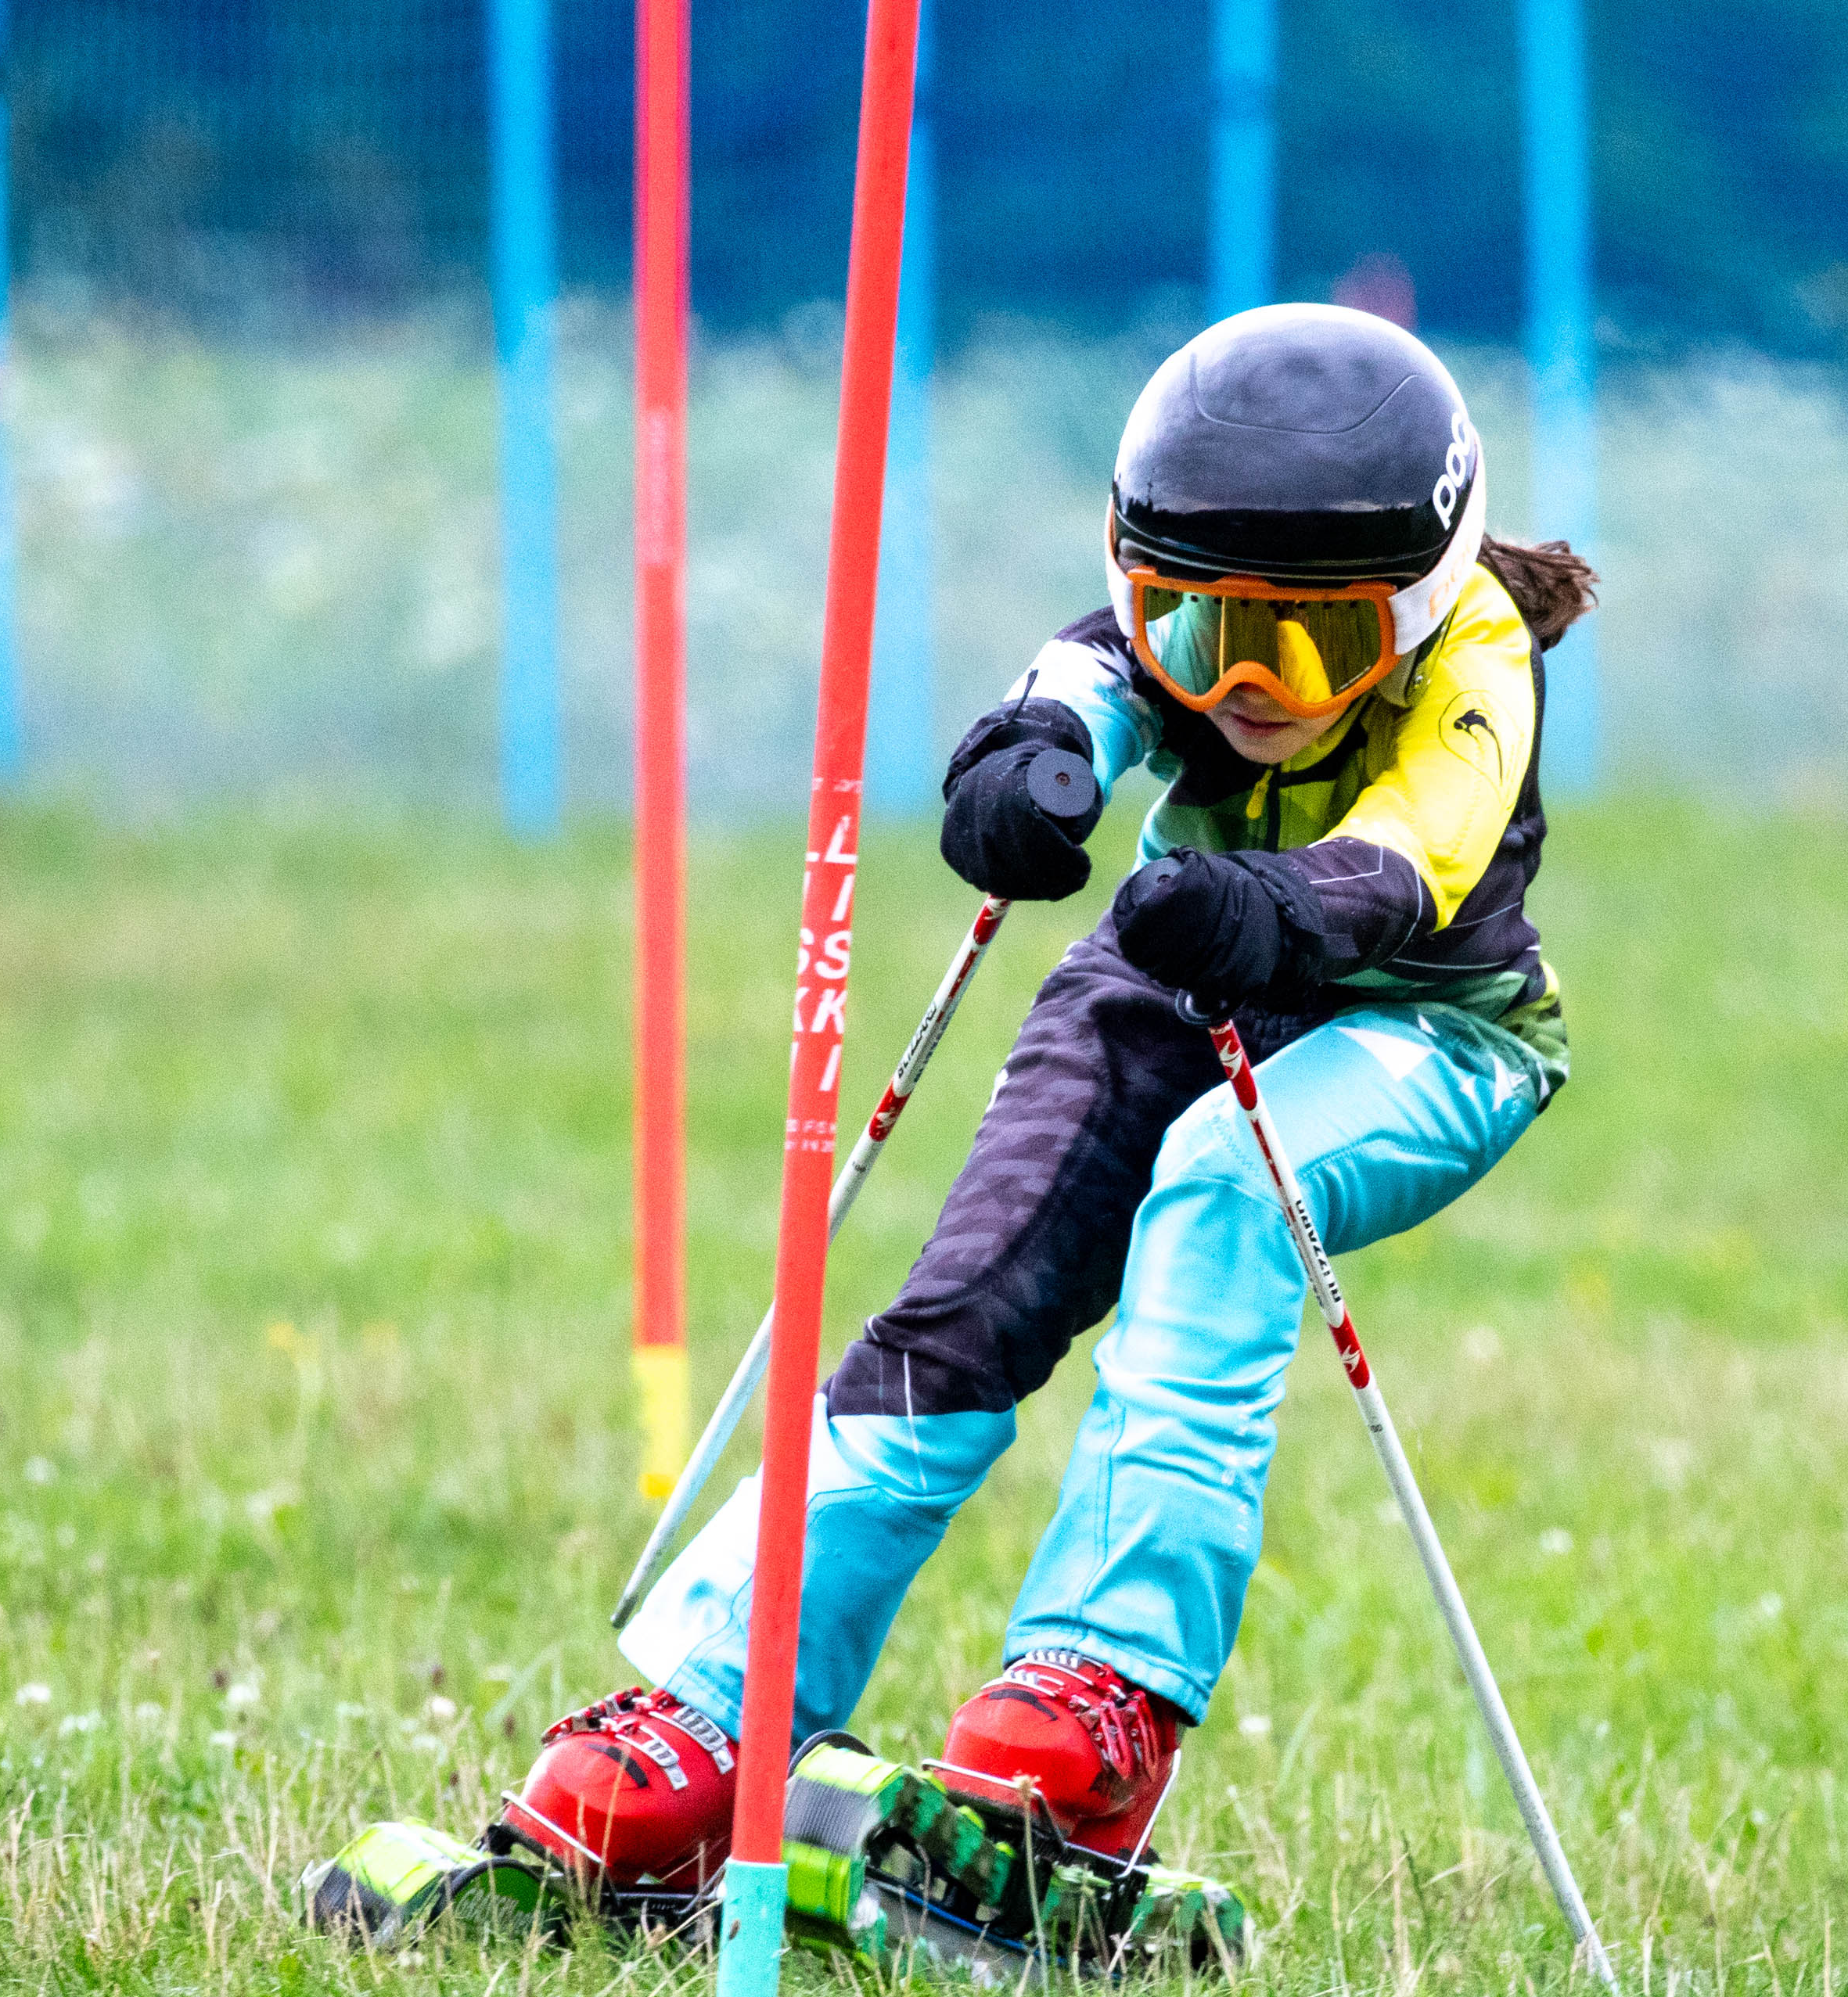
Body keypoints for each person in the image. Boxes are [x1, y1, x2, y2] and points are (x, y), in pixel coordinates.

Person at [495, 303, 1594, 1895]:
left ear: (1416, 606)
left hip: (1431, 1024)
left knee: (1227, 1180)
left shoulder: (1477, 658)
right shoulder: (1170, 626)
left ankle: (1101, 1690)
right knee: (968, 1301)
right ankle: (722, 1707)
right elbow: (1081, 678)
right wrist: (1020, 761)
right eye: (1197, 626)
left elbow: (1415, 847)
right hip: (1175, 970)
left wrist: (1278, 905)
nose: (1248, 679)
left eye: (1315, 643)